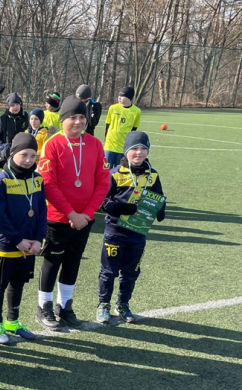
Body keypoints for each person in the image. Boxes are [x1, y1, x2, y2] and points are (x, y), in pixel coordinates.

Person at [36, 96, 109, 330]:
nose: (78, 122)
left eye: (82, 118)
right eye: (72, 118)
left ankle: (64, 306)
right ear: (62, 118)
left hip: (85, 218)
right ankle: (43, 307)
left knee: (73, 262)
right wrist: (70, 213)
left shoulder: (95, 144)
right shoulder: (53, 144)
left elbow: (103, 182)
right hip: (58, 217)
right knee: (52, 261)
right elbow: (48, 184)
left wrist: (86, 213)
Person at [97, 131, 165, 324]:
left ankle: (123, 304)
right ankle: (103, 305)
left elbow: (159, 197)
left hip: (138, 233)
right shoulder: (115, 173)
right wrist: (122, 208)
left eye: (143, 148)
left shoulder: (153, 175)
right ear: (126, 151)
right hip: (115, 232)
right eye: (134, 148)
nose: (139, 152)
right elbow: (103, 202)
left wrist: (161, 210)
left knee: (131, 271)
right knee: (109, 271)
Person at [0, 133, 46, 344]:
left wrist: (38, 239)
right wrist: (17, 240)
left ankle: (13, 321)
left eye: (33, 155)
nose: (29, 160)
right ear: (13, 154)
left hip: (30, 244)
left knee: (18, 282)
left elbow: (41, 212)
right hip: (8, 243)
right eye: (24, 155)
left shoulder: (38, 179)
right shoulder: (1, 181)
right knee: (0, 283)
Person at [103, 86, 141, 168]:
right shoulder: (113, 108)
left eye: (122, 96)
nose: (119, 98)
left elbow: (133, 130)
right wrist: (106, 140)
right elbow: (107, 125)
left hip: (123, 148)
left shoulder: (136, 111)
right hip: (109, 146)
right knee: (105, 172)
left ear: (129, 98)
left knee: (120, 173)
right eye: (118, 95)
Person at [0, 92, 29, 167]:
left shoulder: (27, 118)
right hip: (7, 154)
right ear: (8, 106)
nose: (15, 107)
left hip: (23, 151)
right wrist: (3, 146)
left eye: (17, 104)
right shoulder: (2, 119)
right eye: (12, 105)